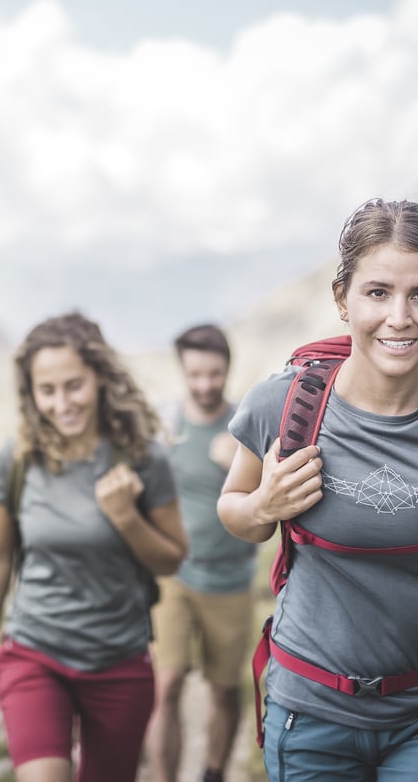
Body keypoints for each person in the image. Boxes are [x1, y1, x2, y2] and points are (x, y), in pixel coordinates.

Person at [217, 198, 418, 781]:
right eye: (378, 292)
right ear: (343, 299)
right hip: (310, 716)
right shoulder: (284, 405)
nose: (400, 317)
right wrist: (265, 504)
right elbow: (234, 509)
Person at [0, 311, 188, 782]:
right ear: (32, 393)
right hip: (34, 654)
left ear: (101, 379)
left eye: (74, 385)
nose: (62, 403)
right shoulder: (19, 458)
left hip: (120, 662)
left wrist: (126, 518)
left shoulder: (144, 458)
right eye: (48, 390)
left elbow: (172, 557)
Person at [145, 324, 256, 782]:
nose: (205, 385)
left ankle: (213, 773)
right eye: (195, 374)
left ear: (227, 369)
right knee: (165, 685)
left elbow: (270, 502)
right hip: (173, 578)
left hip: (229, 580)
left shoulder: (245, 427)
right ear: (183, 371)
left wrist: (243, 462)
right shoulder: (165, 426)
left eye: (214, 374)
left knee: (224, 691)